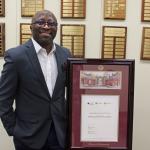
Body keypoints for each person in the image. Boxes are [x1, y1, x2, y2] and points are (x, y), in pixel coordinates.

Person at [0, 10, 71, 150]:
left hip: (59, 133)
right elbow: (3, 99)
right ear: (31, 27)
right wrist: (15, 130)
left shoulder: (65, 54)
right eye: (40, 22)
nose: (46, 26)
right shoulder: (16, 56)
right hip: (28, 137)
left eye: (51, 23)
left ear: (56, 28)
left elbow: (73, 90)